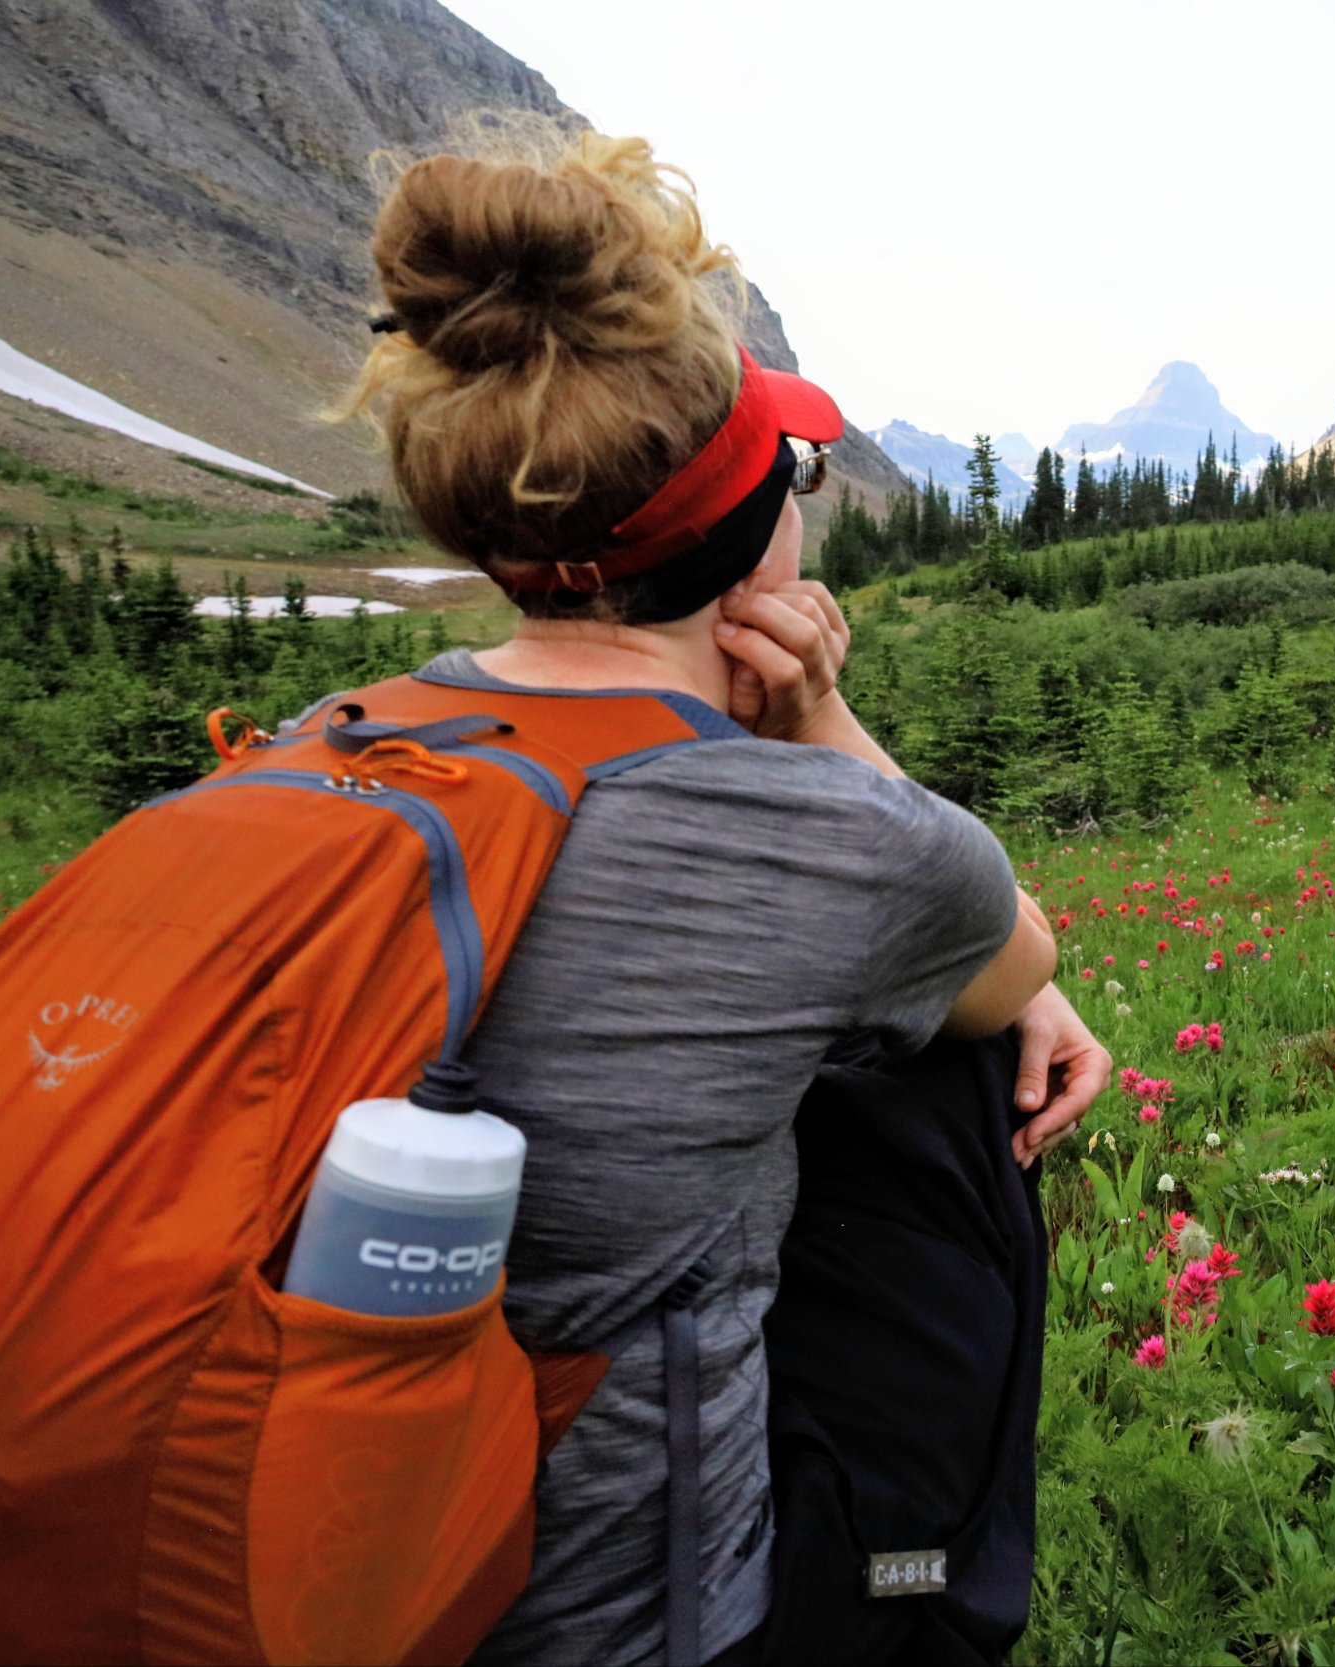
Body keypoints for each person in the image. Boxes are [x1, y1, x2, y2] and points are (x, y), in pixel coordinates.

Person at [340, 122, 1106, 1664]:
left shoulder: (325, 753)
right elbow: (1006, 960)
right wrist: (820, 719)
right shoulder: (849, 848)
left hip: (312, 1558)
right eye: (797, 467)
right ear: (750, 518)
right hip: (642, 1615)